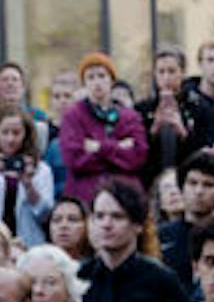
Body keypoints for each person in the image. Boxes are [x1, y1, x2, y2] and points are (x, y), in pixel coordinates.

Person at [59, 52, 148, 205]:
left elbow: (138, 156)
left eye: (102, 76)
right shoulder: (73, 115)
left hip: (124, 195)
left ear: (112, 80)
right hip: (85, 194)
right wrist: (118, 148)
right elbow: (74, 159)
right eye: (91, 77)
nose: (97, 82)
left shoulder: (130, 117)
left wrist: (98, 148)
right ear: (84, 83)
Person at [137, 46, 214, 180]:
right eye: (161, 72)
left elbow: (207, 149)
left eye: (172, 71)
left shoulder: (199, 106)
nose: (166, 77)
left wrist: (182, 132)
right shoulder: (143, 108)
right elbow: (138, 152)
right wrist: (153, 130)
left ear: (182, 73)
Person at [0, 105, 53, 249]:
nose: (10, 139)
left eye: (16, 133)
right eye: (4, 132)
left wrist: (28, 184)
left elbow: (45, 215)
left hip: (28, 243)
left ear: (25, 134)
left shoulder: (41, 169)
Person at [159, 150, 214, 286]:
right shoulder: (161, 236)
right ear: (181, 188)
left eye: (208, 185)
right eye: (192, 183)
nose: (199, 191)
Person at [47, 194, 90, 264]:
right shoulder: (38, 266)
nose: (63, 226)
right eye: (57, 220)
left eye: (72, 219)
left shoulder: (97, 269)